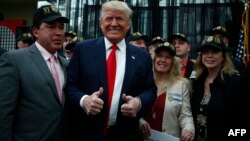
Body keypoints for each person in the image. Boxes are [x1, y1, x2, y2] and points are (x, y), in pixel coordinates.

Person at [65, 1, 157, 141]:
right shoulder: (83, 50)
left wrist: (138, 102)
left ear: (128, 24)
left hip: (125, 134)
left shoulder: (142, 56)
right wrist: (84, 100)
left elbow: (150, 90)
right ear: (101, 23)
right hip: (86, 133)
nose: (114, 23)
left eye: (120, 18)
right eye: (109, 18)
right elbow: (70, 86)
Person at [0, 5, 69, 141]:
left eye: (61, 27)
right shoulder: (14, 60)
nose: (59, 32)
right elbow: (4, 113)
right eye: (51, 26)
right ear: (35, 31)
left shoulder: (66, 64)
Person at [140, 42, 195, 141]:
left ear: (173, 62)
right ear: (154, 59)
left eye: (168, 57)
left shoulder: (181, 85)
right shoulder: (142, 80)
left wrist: (188, 129)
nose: (163, 60)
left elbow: (185, 115)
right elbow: (131, 110)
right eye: (160, 56)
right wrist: (139, 121)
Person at [191, 36, 240, 140]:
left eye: (214, 51)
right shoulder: (197, 81)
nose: (209, 55)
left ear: (223, 56)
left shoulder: (234, 82)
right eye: (205, 52)